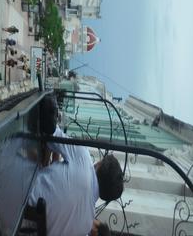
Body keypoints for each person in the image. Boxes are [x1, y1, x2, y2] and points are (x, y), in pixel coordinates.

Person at [27, 99, 124, 236]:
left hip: (15, 186)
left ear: (99, 165)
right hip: (16, 222)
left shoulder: (84, 157)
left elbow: (51, 131)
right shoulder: (84, 226)